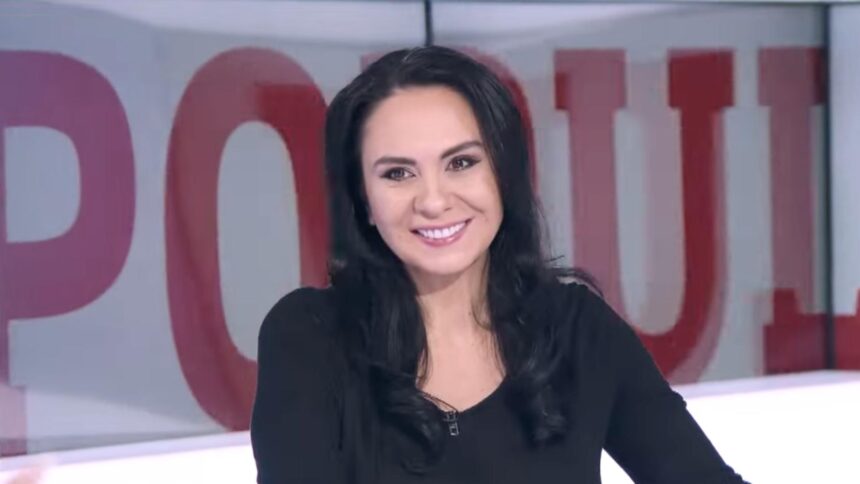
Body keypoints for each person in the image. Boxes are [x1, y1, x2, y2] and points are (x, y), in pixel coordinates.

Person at [250, 45, 748, 484]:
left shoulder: (575, 327)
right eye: (398, 173)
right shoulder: (310, 336)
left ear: (502, 173)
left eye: (461, 163)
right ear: (363, 199)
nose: (433, 201)